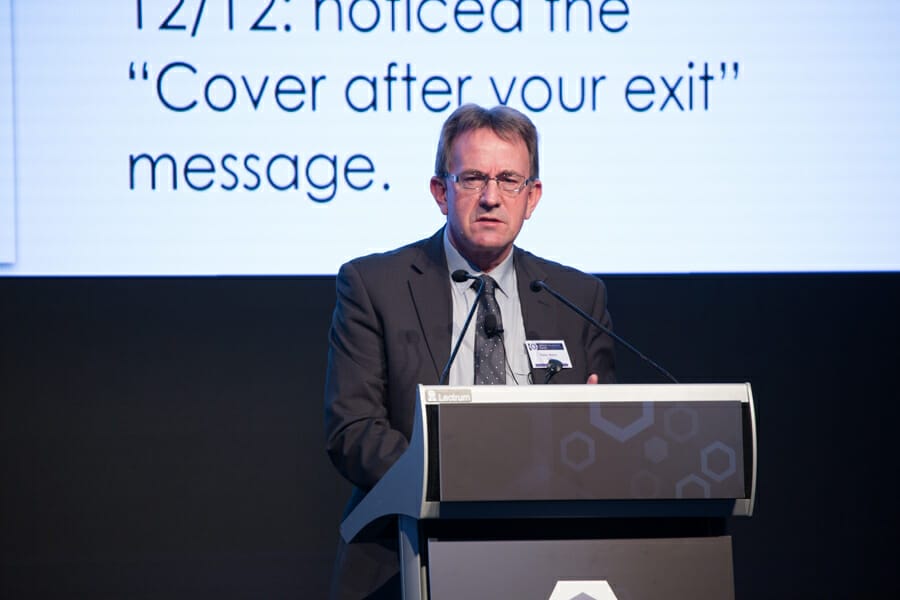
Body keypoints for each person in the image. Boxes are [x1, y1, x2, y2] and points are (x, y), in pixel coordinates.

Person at [323, 103, 616, 598]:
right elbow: (353, 431)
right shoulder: (374, 286)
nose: (491, 198)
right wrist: (456, 480)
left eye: (509, 181)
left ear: (532, 197)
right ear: (441, 192)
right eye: (473, 178)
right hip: (406, 552)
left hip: (549, 555)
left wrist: (598, 428)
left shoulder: (578, 297)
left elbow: (603, 436)